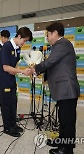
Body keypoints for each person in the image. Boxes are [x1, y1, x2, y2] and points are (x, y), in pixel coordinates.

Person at [32, 22, 80, 154]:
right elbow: (53, 65)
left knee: (67, 121)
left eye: (48, 34)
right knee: (64, 119)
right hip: (64, 91)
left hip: (67, 90)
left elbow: (50, 62)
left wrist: (35, 69)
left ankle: (66, 149)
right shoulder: (60, 46)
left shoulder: (62, 44)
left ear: (55, 33)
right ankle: (62, 142)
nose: (47, 37)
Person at [0, 27, 33, 137]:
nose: (24, 43)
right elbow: (6, 67)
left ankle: (13, 124)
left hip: (11, 79)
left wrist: (15, 70)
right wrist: (21, 71)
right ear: (19, 36)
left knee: (13, 103)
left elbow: (14, 64)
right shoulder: (7, 46)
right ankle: (7, 128)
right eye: (24, 40)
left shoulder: (17, 48)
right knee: (6, 104)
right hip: (3, 80)